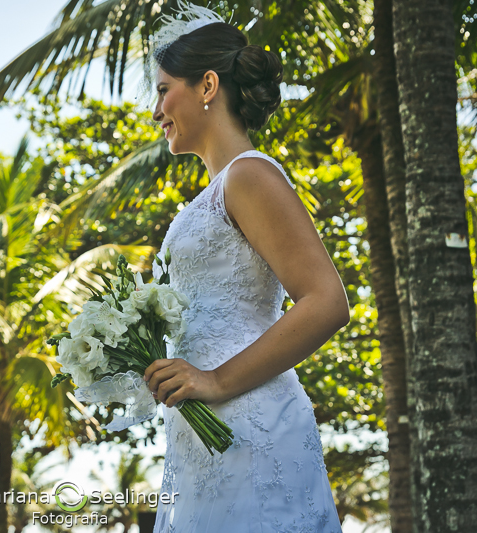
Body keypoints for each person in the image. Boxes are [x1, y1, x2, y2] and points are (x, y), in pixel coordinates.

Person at [140, 3, 349, 532]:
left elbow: (327, 301)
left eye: (164, 90)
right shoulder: (211, 194)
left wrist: (215, 380)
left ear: (207, 85)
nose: (155, 108)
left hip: (252, 426)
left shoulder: (248, 175)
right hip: (203, 438)